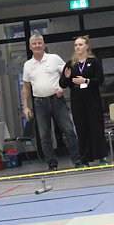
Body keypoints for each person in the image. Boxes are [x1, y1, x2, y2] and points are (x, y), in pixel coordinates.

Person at [21, 31, 82, 170]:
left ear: (44, 45)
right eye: (34, 44)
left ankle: (77, 160)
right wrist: (25, 106)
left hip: (57, 100)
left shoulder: (54, 58)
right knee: (44, 135)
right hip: (39, 103)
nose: (37, 46)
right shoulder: (27, 65)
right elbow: (25, 88)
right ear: (30, 47)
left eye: (39, 43)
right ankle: (52, 163)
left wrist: (63, 87)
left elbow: (68, 73)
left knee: (69, 130)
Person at [59, 36, 109, 167]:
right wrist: (67, 77)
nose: (78, 47)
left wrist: (86, 80)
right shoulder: (70, 64)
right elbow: (63, 84)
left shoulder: (94, 61)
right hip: (77, 100)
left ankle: (101, 157)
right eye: (76, 45)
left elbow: (100, 79)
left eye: (80, 44)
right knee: (81, 129)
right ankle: (85, 159)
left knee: (96, 127)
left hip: (92, 99)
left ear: (87, 46)